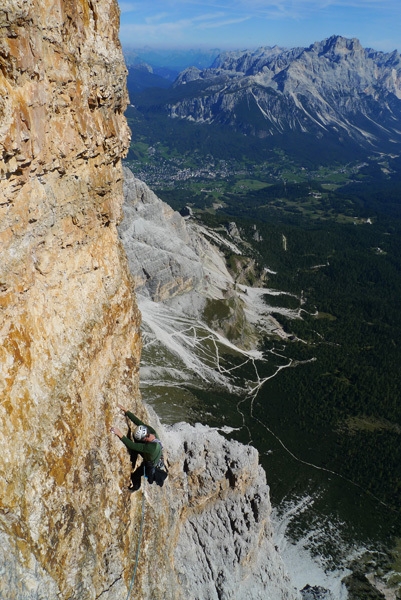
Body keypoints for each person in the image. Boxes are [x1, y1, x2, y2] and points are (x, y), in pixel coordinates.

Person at [110, 404, 167, 490]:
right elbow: (138, 422)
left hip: (150, 463)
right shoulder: (151, 431)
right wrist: (126, 410)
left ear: (144, 439)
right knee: (138, 470)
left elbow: (132, 445)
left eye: (143, 439)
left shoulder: (150, 447)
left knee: (136, 474)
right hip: (155, 457)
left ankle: (136, 486)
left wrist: (119, 433)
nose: (149, 435)